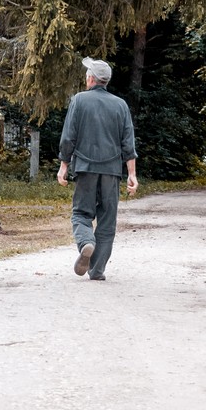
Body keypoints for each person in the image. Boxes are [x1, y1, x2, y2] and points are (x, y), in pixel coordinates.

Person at [57, 57, 138, 280]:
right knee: (107, 219)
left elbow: (68, 137)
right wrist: (132, 174)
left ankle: (86, 242)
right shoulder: (120, 105)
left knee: (81, 213)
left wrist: (63, 166)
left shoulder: (79, 100)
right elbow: (128, 143)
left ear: (91, 79)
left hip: (85, 168)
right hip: (112, 171)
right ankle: (97, 270)